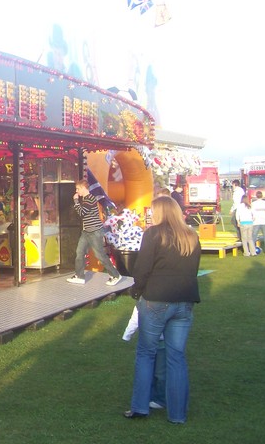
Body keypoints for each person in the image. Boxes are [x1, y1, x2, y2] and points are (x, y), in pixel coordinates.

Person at [126, 196, 200, 423]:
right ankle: (177, 415)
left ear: (159, 212)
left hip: (156, 300)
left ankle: (140, 407)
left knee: (146, 353)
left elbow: (142, 268)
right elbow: (194, 269)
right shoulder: (191, 235)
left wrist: (136, 290)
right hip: (184, 301)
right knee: (176, 356)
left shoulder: (154, 234)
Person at [67, 179, 123, 286]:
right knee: (80, 252)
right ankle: (79, 276)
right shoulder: (85, 199)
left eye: (78, 189)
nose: (76, 191)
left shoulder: (90, 199)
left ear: (83, 188)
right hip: (87, 231)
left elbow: (82, 212)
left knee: (99, 255)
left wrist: (76, 201)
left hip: (95, 231)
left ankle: (115, 275)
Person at [122, 305, 167, 410]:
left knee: (159, 372)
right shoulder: (143, 302)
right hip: (153, 340)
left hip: (160, 341)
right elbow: (135, 318)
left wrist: (127, 335)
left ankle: (159, 399)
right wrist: (127, 334)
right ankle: (152, 397)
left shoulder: (148, 301)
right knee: (155, 372)